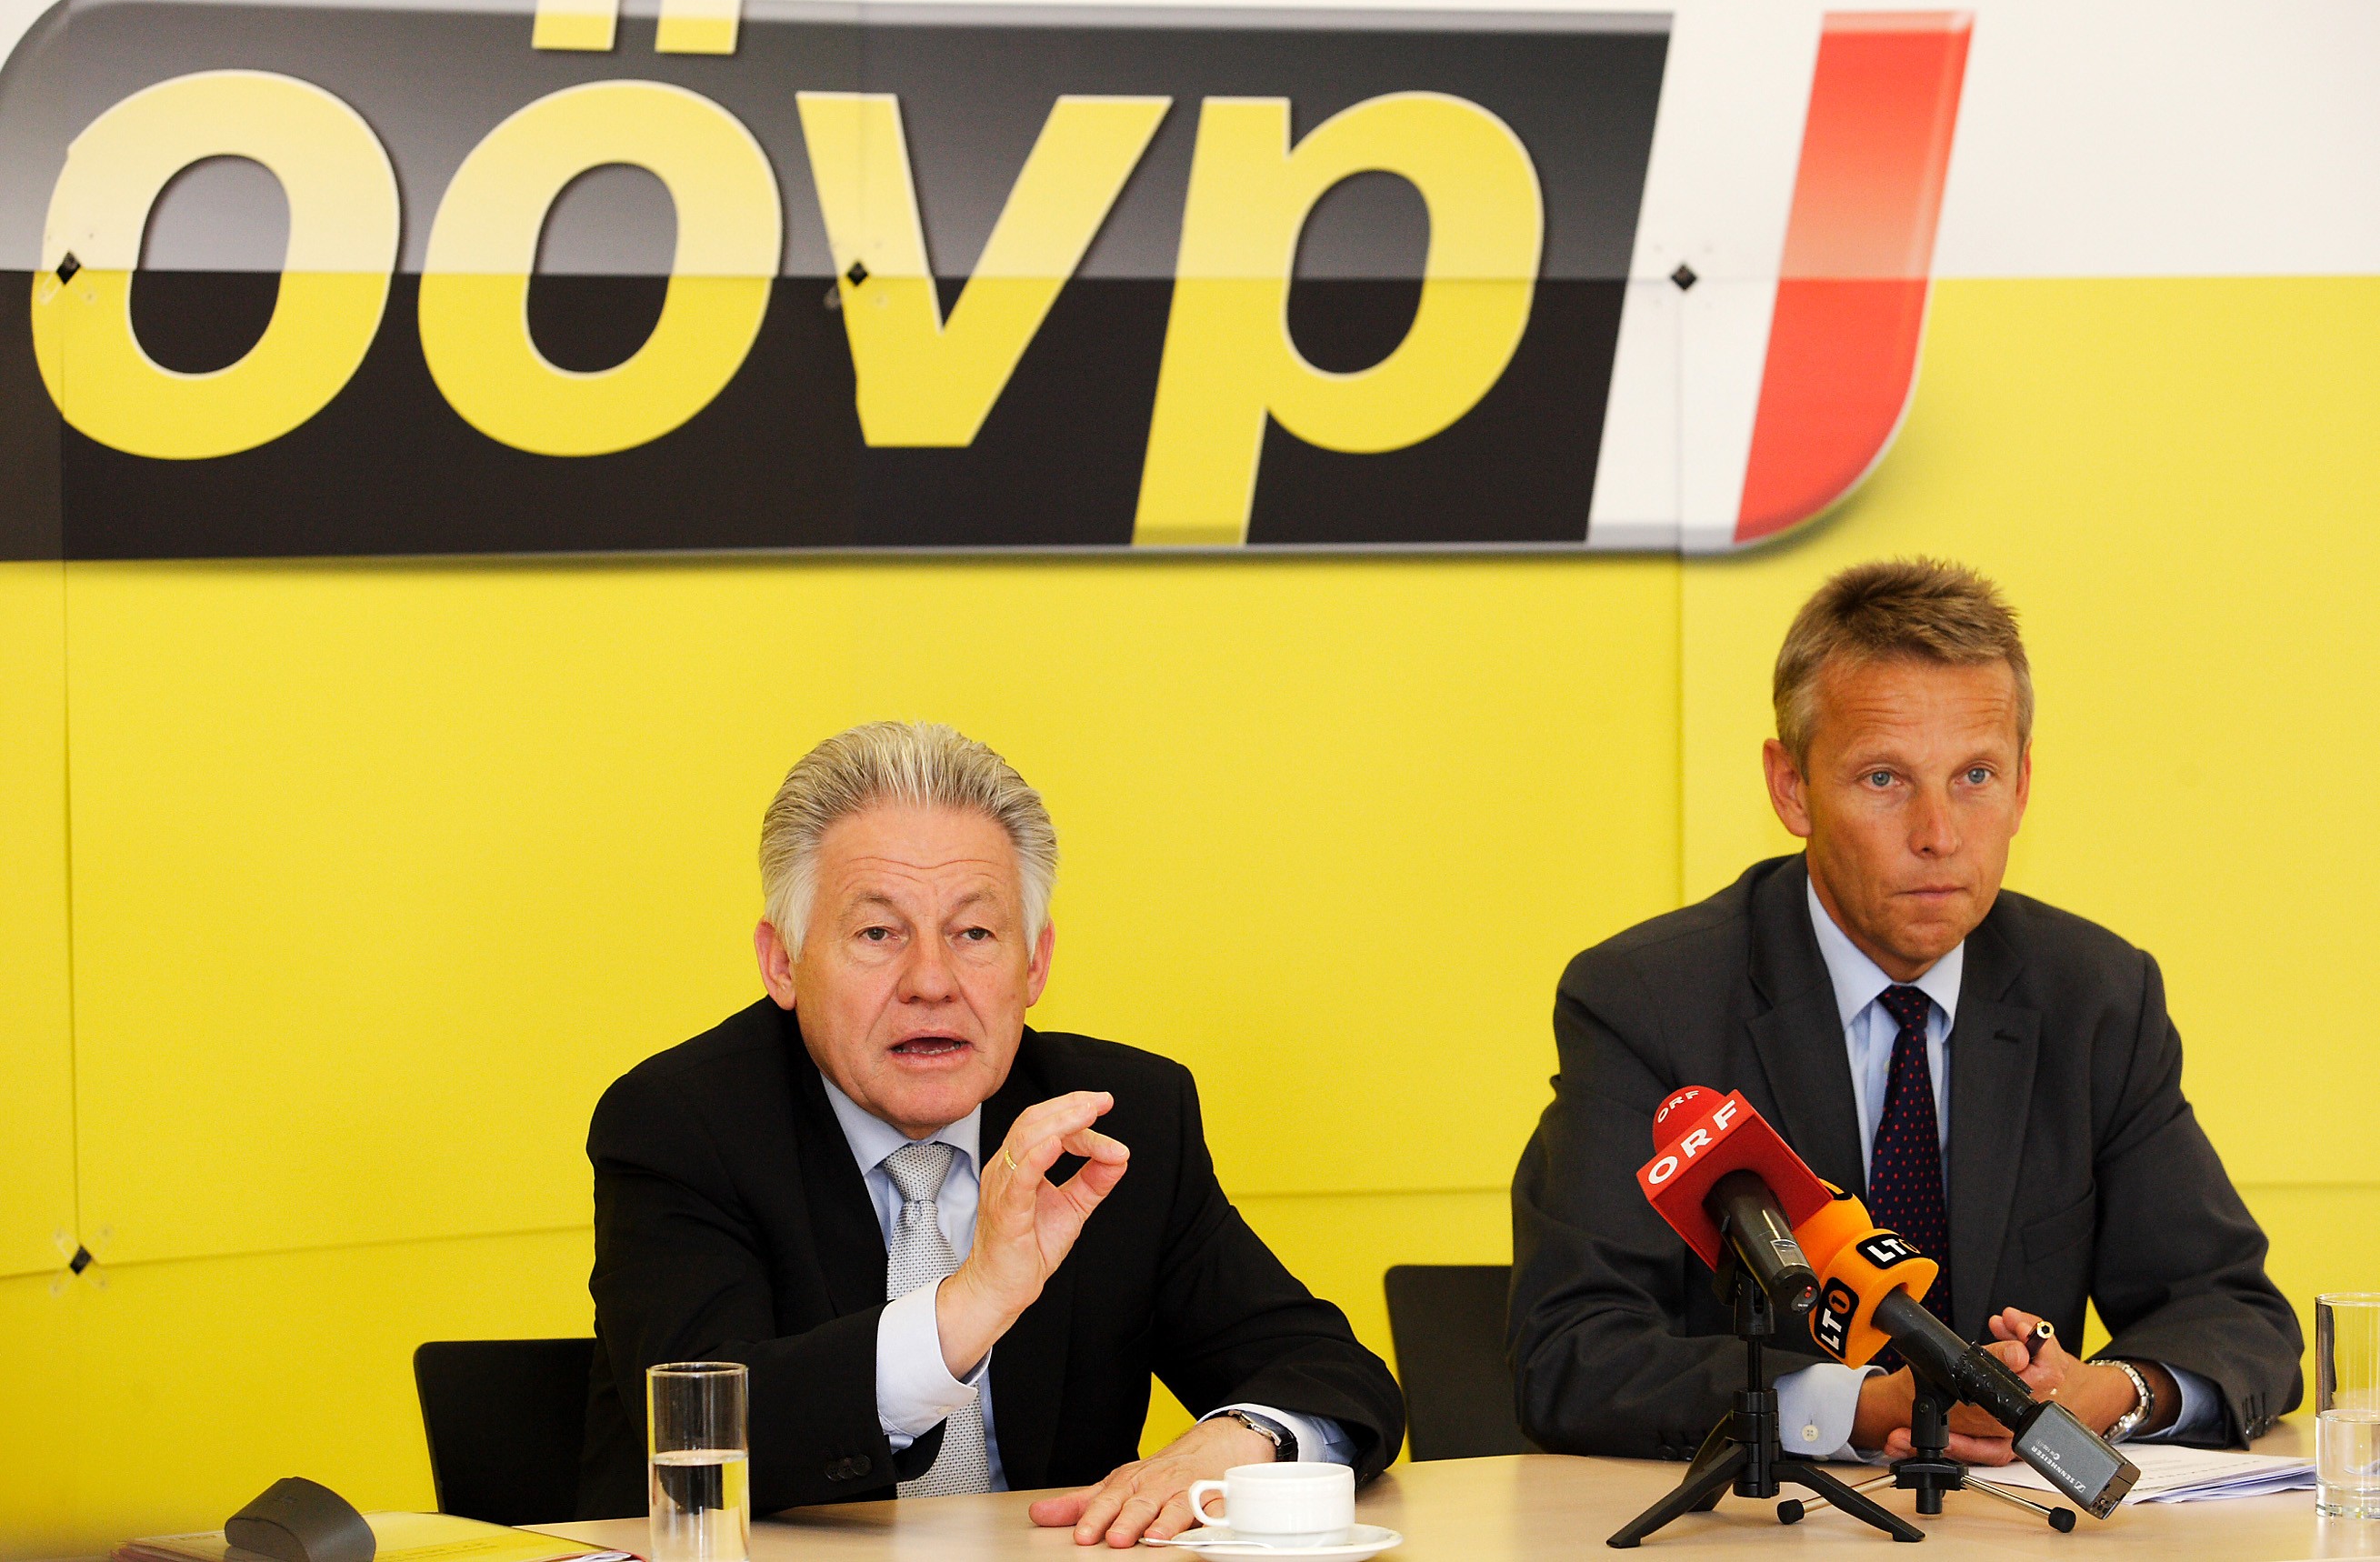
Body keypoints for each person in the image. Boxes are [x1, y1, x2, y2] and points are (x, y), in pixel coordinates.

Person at [1510, 559, 2301, 1467]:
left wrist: (2108, 1392)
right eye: (1883, 779)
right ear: (1791, 788)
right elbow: (1570, 1354)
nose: (1937, 832)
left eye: (1973, 775)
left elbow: (2231, 1311)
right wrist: (1860, 1404)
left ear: (2021, 785)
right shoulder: (1648, 1002)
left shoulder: (2094, 996)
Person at [577, 721, 1403, 1539]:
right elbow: (702, 1429)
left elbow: (1335, 1377)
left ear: (1035, 963)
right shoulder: (680, 1124)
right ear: (782, 963)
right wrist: (967, 1308)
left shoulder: (1117, 1121)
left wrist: (1244, 1438)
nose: (932, 982)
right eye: (877, 932)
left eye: (975, 933)